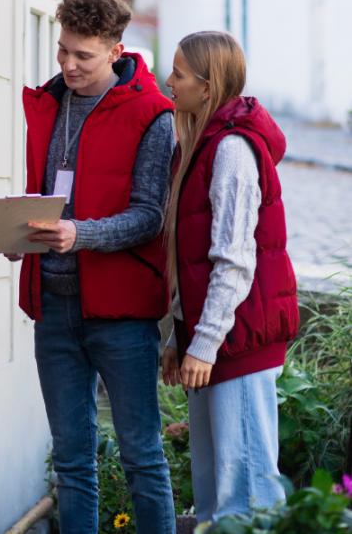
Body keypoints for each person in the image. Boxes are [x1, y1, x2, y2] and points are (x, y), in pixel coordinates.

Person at [8, 0, 176, 533]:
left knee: (142, 456)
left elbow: (149, 216)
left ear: (116, 50)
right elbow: (47, 195)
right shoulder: (49, 101)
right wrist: (22, 234)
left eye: (83, 55)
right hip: (53, 310)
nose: (69, 64)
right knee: (72, 461)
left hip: (121, 316)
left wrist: (78, 234)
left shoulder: (152, 114)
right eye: (63, 51)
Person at [161, 31, 299, 524]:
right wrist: (182, 335)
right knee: (217, 496)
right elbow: (186, 255)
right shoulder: (199, 143)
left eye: (178, 73)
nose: (168, 81)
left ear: (207, 83)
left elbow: (234, 259)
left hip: (236, 344)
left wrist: (205, 342)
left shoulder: (232, 151)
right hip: (216, 341)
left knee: (247, 499)